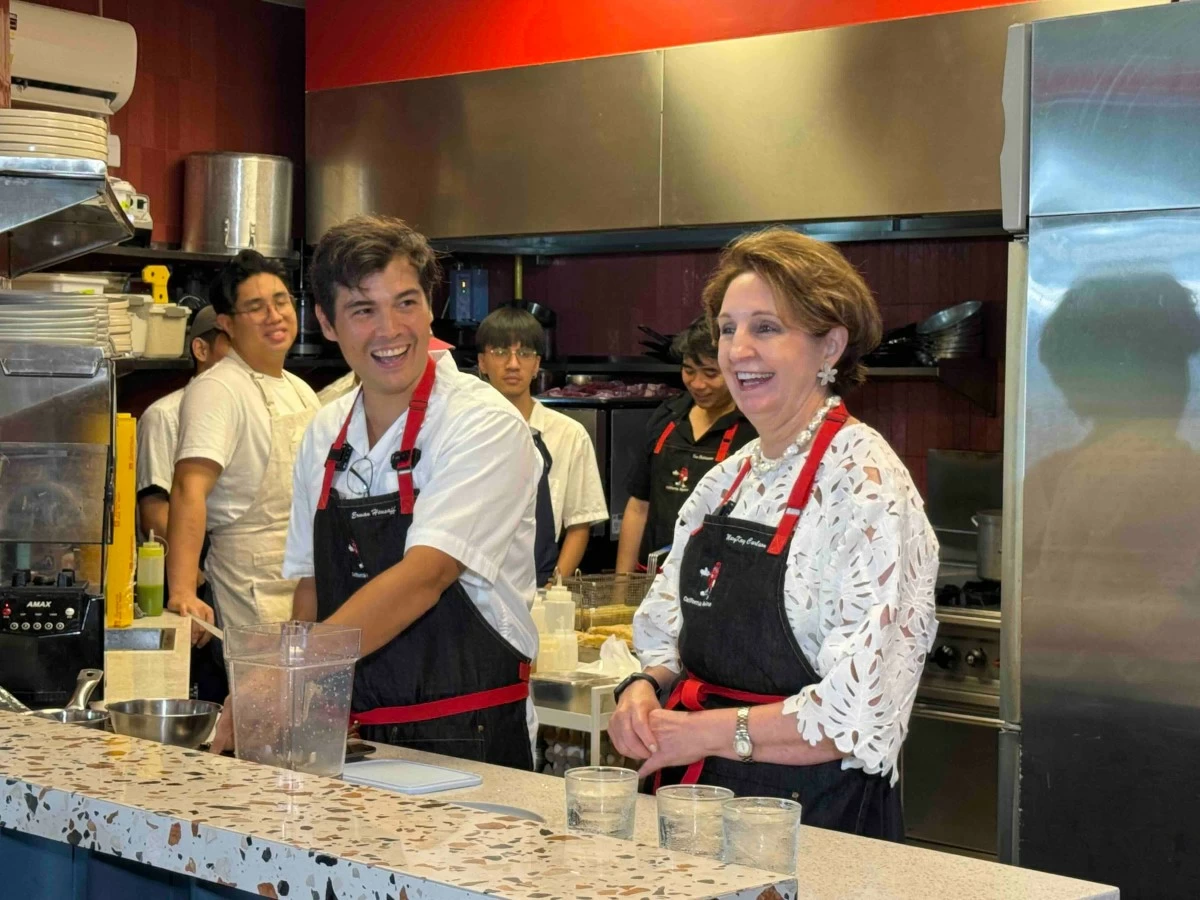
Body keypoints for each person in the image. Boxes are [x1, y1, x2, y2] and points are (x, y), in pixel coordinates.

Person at [608, 228, 938, 841]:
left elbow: (857, 712)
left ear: (830, 346)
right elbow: (665, 628)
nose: (737, 350)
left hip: (815, 821)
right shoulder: (726, 480)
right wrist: (645, 687)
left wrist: (704, 732)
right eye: (727, 329)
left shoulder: (866, 486)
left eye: (766, 328)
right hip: (695, 803)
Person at [220, 215, 541, 768]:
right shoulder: (325, 431)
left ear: (431, 307)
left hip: (470, 738)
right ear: (326, 322)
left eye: (406, 302)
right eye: (363, 310)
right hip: (353, 739)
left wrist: (290, 674)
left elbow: (427, 574)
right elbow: (312, 586)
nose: (390, 330)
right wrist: (292, 706)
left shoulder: (482, 423)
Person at [166, 251, 320, 646]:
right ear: (227, 323)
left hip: (305, 578)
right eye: (255, 307)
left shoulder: (299, 389)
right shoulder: (218, 389)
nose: (274, 315)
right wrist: (182, 592)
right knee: (265, 687)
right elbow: (188, 488)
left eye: (281, 301)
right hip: (252, 583)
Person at [476, 306, 607, 583]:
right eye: (500, 352)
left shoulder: (569, 434)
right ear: (482, 362)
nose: (513, 364)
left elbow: (579, 524)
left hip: (542, 581)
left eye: (524, 353)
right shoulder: (464, 430)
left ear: (536, 365)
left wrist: (553, 587)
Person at [615, 316, 755, 573]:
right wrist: (622, 585)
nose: (697, 384)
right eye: (689, 370)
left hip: (715, 576)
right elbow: (638, 507)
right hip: (653, 574)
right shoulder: (667, 416)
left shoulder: (753, 429)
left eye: (711, 373)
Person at [136, 304, 230, 540]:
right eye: (233, 344)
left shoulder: (253, 410)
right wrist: (196, 566)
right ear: (201, 349)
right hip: (197, 557)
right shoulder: (164, 416)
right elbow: (155, 517)